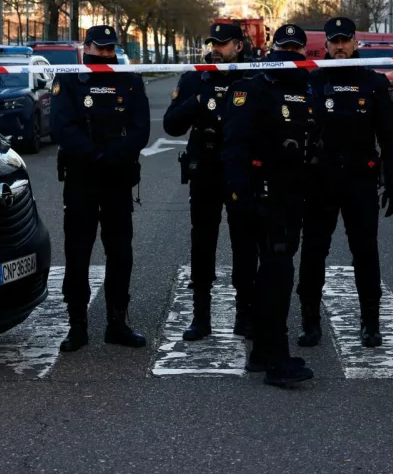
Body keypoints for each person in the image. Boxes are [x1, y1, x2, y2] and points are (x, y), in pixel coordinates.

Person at [296, 16, 393, 349]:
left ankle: (370, 324)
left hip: (360, 177)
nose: (340, 46)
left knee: (365, 253)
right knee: (313, 252)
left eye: (345, 40)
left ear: (355, 43)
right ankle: (310, 323)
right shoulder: (311, 81)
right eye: (334, 41)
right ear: (325, 45)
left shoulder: (374, 82)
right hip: (319, 179)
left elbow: (390, 137)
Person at [223, 23, 316, 386]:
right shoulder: (251, 90)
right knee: (277, 275)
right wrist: (239, 195)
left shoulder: (306, 90)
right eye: (284, 48)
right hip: (261, 194)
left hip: (292, 194)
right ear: (272, 49)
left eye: (296, 49)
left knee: (275, 272)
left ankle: (262, 351)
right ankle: (277, 360)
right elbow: (234, 147)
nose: (290, 55)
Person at [51, 25, 151, 352]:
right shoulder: (67, 81)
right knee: (78, 254)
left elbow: (140, 128)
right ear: (86, 47)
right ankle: (77, 325)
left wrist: (114, 157)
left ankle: (117, 322)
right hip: (82, 179)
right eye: (99, 48)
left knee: (120, 253)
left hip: (118, 179)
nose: (105, 54)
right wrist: (94, 155)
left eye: (110, 49)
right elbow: (62, 127)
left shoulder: (131, 82)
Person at [163, 22, 258, 341]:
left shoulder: (252, 79)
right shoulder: (195, 78)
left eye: (224, 43)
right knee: (202, 245)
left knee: (245, 244)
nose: (216, 48)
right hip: (204, 169)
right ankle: (200, 316)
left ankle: (245, 314)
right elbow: (171, 126)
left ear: (238, 47)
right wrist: (196, 102)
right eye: (213, 42)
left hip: (241, 172)